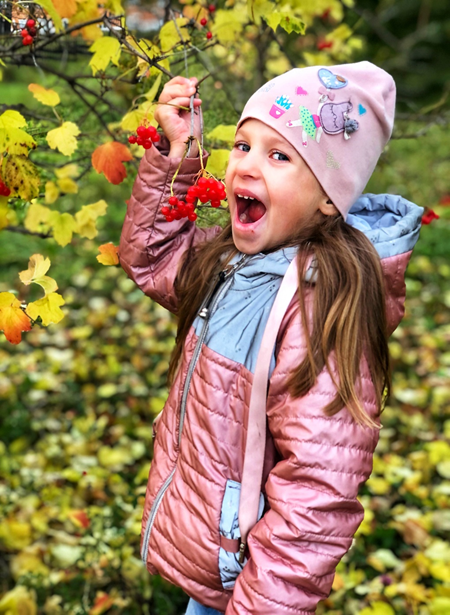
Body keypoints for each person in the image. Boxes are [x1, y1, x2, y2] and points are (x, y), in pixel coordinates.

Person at [118, 62, 423, 614]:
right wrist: (180, 153)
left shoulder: (320, 313)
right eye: (242, 144)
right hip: (216, 555)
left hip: (254, 584)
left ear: (329, 197)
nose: (246, 167)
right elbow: (151, 255)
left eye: (279, 155)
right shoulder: (231, 261)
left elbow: (315, 499)